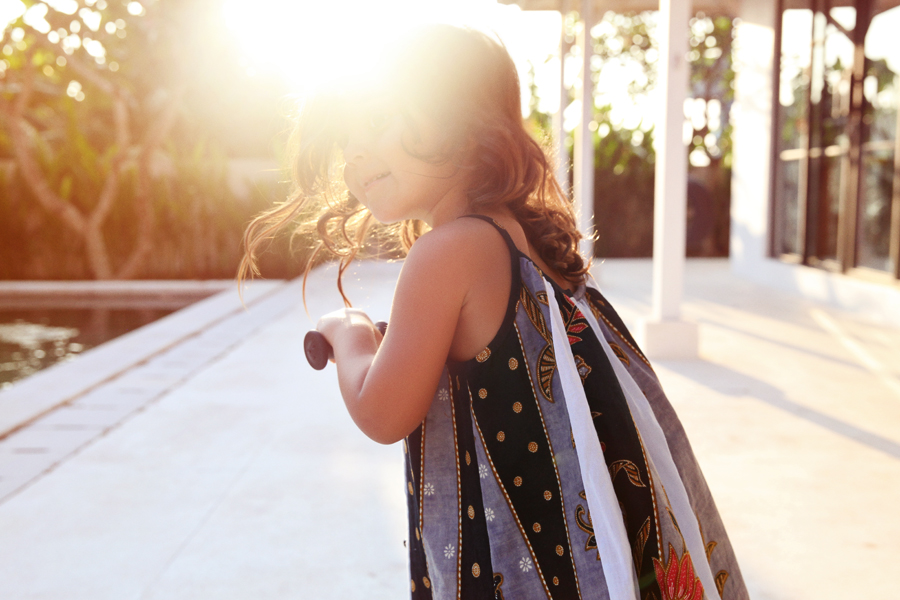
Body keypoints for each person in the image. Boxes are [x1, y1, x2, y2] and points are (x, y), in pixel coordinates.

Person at [240, 24, 748, 600]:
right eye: (344, 136)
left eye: (378, 120)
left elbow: (383, 412)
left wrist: (350, 333)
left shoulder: (448, 251)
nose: (354, 151)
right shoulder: (522, 237)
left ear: (462, 119)